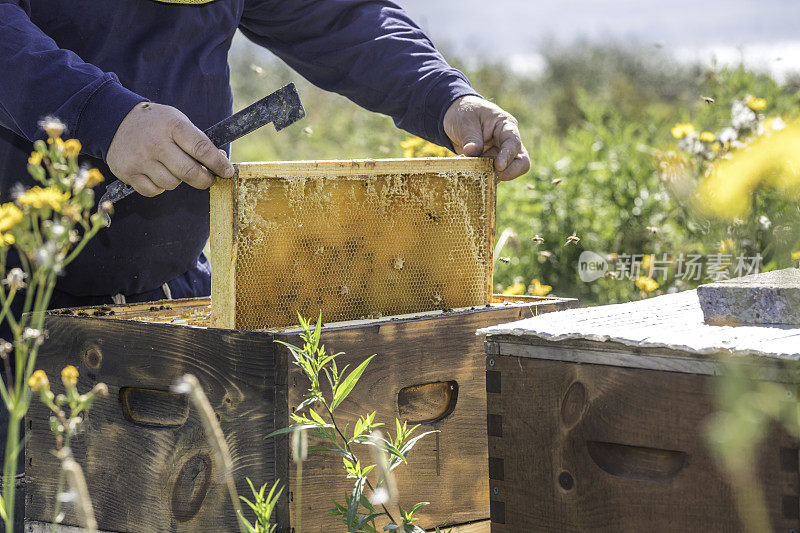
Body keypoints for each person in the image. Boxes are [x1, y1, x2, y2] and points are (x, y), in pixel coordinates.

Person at [0, 0, 530, 312]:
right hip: (17, 302)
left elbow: (335, 16)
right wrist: (102, 113)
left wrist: (446, 96)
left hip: (169, 295)